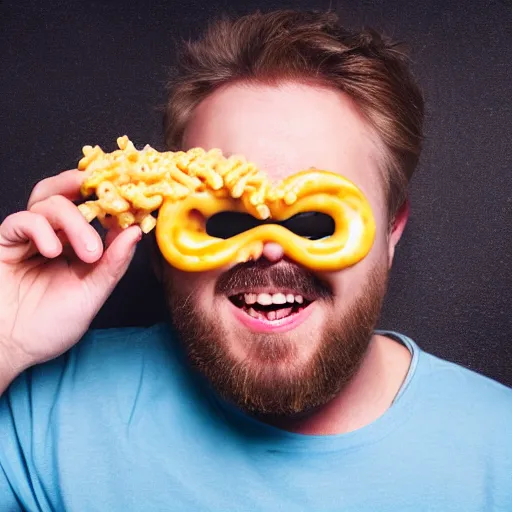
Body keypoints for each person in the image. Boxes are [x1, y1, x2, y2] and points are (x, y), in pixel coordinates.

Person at [0, 9, 510, 511]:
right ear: (157, 231)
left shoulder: (500, 452)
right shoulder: (42, 417)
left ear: (391, 231)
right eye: (225, 219)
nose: (269, 248)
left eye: (314, 221)